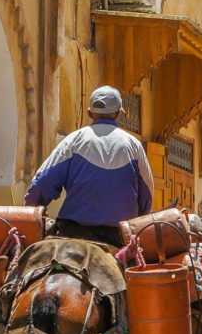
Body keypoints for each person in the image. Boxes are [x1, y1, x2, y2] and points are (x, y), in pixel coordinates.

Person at [23, 85, 154, 247]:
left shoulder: (73, 141)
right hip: (119, 237)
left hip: (72, 232)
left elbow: (42, 183)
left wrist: (31, 213)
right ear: (119, 114)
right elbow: (146, 195)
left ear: (89, 113)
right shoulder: (134, 146)